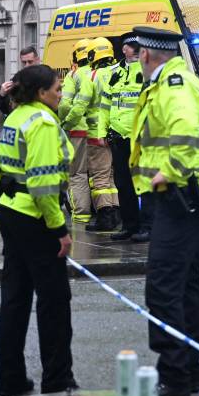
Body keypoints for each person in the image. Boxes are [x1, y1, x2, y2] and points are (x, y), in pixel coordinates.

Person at [128, 26, 199, 396]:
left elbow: (184, 131)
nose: (137, 60)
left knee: (164, 286)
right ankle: (186, 372)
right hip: (186, 195)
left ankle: (175, 374)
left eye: (137, 54)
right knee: (183, 286)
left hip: (180, 194)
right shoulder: (177, 80)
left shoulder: (173, 84)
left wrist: (168, 171)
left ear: (148, 55)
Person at [0, 64, 77, 396]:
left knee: (15, 299)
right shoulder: (42, 123)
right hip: (36, 218)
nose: (61, 94)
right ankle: (57, 378)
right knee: (54, 301)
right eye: (57, 89)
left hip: (11, 213)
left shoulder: (16, 117)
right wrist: (59, 228)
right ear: (42, 92)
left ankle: (11, 378)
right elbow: (43, 183)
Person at [102, 32, 148, 242]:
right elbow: (105, 106)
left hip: (140, 137)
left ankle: (147, 227)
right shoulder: (114, 73)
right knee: (123, 183)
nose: (135, 50)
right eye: (131, 46)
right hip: (119, 136)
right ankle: (129, 226)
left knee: (144, 183)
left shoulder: (147, 72)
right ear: (123, 49)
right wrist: (102, 131)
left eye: (138, 46)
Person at [83, 37, 121, 233]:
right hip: (117, 132)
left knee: (99, 177)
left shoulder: (93, 76)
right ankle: (116, 213)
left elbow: (82, 104)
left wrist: (68, 121)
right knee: (112, 176)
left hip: (96, 134)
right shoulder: (119, 72)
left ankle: (105, 216)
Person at [59, 39, 95, 223]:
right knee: (100, 174)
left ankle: (82, 213)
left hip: (77, 131)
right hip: (99, 131)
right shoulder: (100, 73)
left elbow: (65, 104)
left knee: (78, 173)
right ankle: (105, 210)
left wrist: (65, 121)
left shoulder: (73, 76)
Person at [0, 46, 43, 117]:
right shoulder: (17, 79)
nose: (26, 65)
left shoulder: (46, 77)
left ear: (37, 60)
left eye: (30, 62)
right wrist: (2, 95)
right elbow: (5, 110)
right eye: (24, 62)